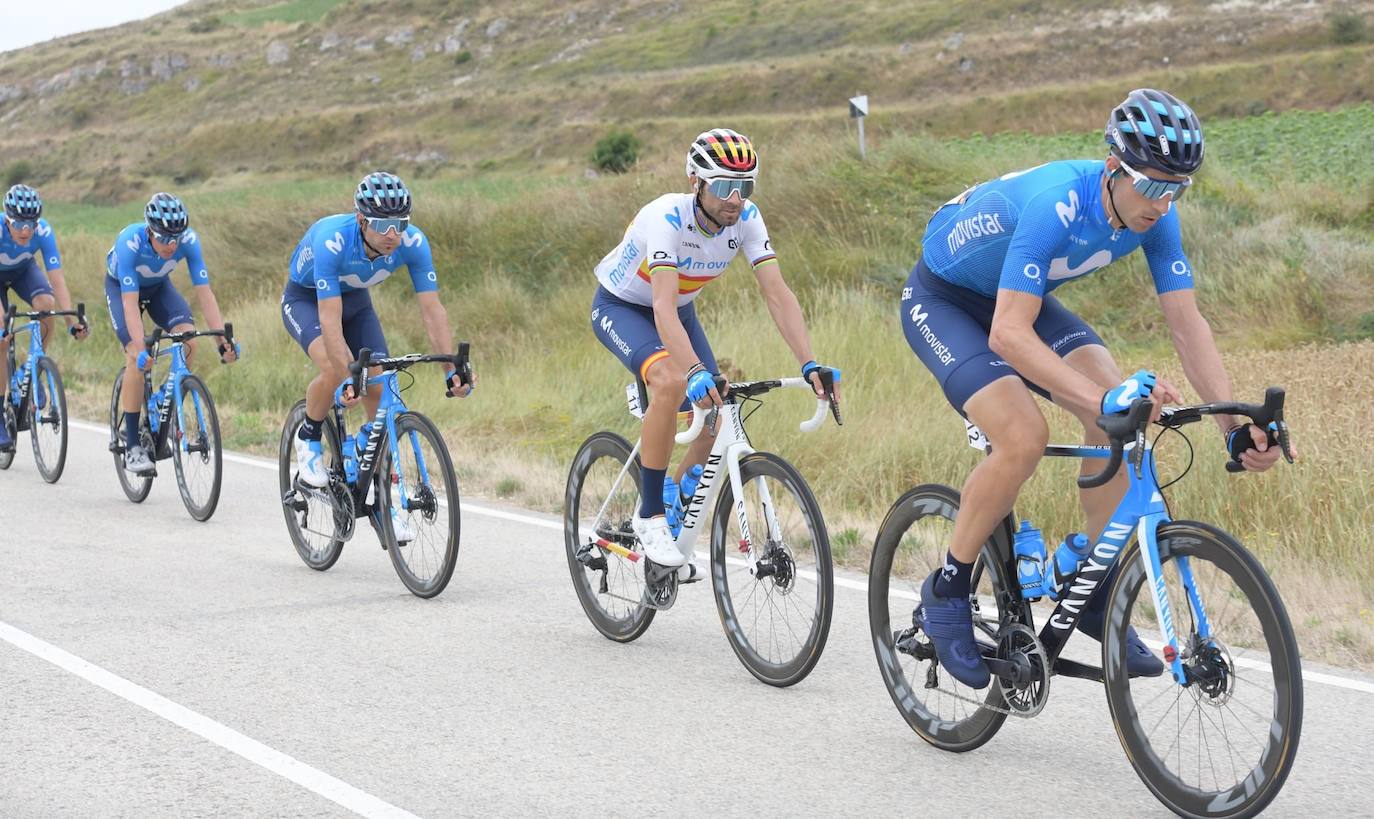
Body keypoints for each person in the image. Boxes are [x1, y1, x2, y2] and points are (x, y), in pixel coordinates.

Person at [900, 89, 1288, 689]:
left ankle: (1089, 574)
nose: (1163, 204)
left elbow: (1188, 326)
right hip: (945, 301)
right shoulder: (1057, 204)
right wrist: (1097, 397)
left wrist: (1234, 429)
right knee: (1023, 436)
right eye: (1154, 186)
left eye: (1178, 188)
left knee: (1118, 407)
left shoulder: (1155, 216)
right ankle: (946, 587)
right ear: (1114, 169)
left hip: (1016, 299)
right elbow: (1007, 333)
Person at [590, 128, 838, 579]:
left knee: (717, 410)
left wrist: (809, 362)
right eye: (724, 186)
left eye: (745, 187)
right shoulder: (665, 217)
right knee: (670, 381)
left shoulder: (746, 218)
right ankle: (649, 516)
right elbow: (660, 305)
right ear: (695, 182)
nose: (735, 199)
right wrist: (693, 370)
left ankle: (674, 496)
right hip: (623, 307)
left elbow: (777, 293)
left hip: (678, 312)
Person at [281, 172, 471, 540]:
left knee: (380, 388)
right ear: (361, 219)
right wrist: (349, 374)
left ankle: (381, 494)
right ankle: (309, 435)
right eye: (383, 225)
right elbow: (329, 319)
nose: (392, 235)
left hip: (357, 303)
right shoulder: (332, 241)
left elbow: (432, 311)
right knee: (338, 370)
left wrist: (452, 369)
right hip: (308, 301)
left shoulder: (412, 243)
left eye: (400, 224)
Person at [106, 192, 237, 474]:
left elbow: (205, 294)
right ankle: (132, 445)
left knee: (189, 340)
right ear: (149, 231)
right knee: (134, 356)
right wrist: (140, 349)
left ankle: (162, 400)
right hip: (122, 291)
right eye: (164, 238)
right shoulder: (130, 242)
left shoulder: (188, 242)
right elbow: (130, 305)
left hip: (158, 288)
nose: (170, 244)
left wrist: (221, 340)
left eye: (175, 238)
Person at [0, 184, 87, 451]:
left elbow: (57, 280)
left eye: (31, 224)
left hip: (23, 271)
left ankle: (32, 367)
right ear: (6, 219)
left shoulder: (44, 231)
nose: (26, 231)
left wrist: (72, 322)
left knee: (46, 304)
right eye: (19, 224)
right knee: (1, 337)